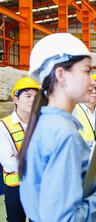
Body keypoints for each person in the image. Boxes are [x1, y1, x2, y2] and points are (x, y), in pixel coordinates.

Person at [17, 33, 96, 221]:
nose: (93, 81)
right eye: (87, 71)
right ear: (61, 75)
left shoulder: (44, 124)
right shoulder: (63, 134)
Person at [0, 77, 39, 222]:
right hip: (16, 187)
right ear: (16, 99)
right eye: (27, 96)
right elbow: (8, 161)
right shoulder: (3, 126)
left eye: (35, 97)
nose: (32, 101)